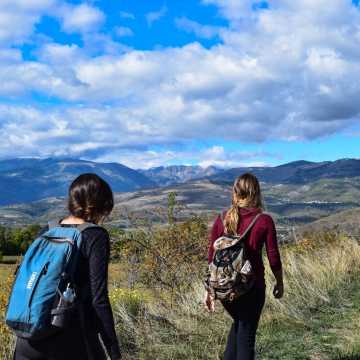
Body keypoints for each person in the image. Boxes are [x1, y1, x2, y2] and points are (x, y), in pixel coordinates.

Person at [14, 173, 122, 360]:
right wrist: (113, 349)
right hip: (70, 338)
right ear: (101, 205)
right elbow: (99, 299)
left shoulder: (48, 229)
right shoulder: (95, 236)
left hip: (28, 337)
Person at [204, 173, 284, 360]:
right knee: (246, 336)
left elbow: (211, 257)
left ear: (235, 192)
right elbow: (273, 257)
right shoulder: (264, 220)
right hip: (252, 287)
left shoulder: (222, 218)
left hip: (225, 288)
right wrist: (280, 282)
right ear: (256, 192)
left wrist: (209, 290)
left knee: (239, 326)